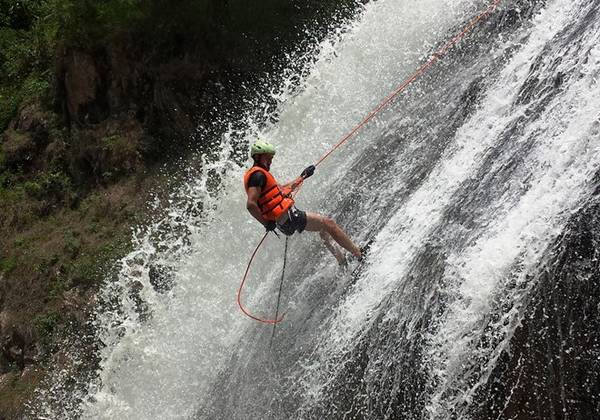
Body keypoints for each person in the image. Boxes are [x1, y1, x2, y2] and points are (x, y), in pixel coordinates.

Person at [244, 140, 362, 265]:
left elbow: (282, 191)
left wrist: (302, 176)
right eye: (267, 158)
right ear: (257, 157)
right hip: (288, 218)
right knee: (329, 223)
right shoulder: (258, 176)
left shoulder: (261, 175)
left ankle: (342, 261)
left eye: (271, 158)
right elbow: (251, 204)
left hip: (286, 218)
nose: (270, 161)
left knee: (324, 230)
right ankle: (359, 254)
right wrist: (266, 223)